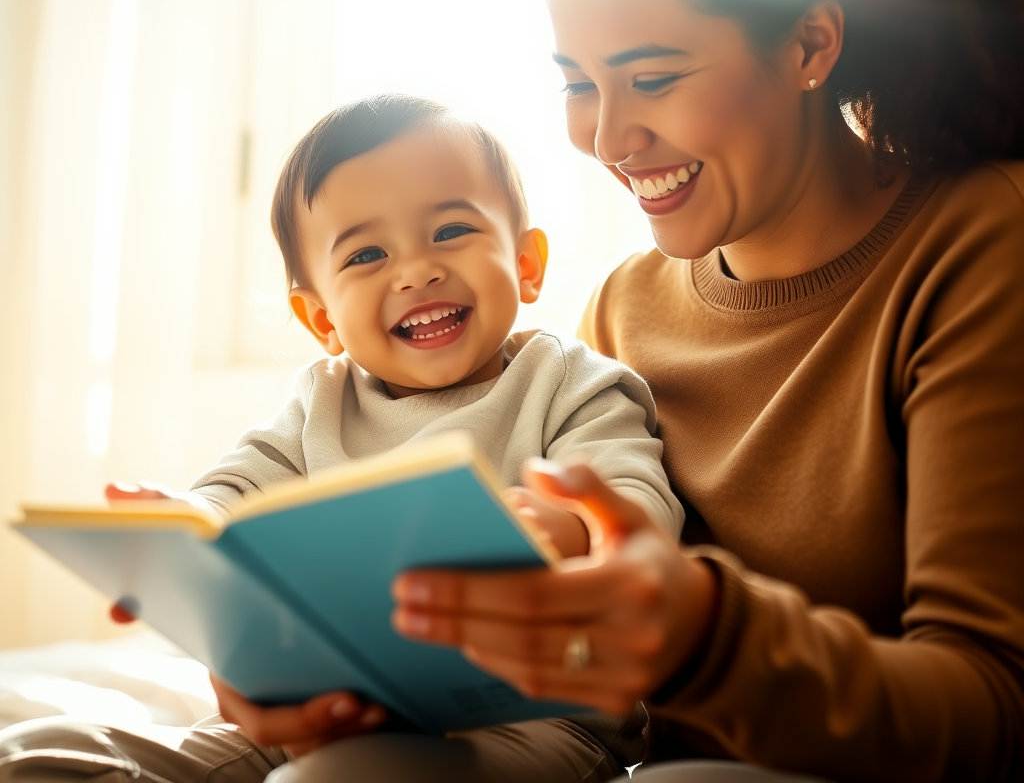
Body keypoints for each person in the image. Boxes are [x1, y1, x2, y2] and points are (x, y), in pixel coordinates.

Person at [384, 0, 1024, 782]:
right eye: (578, 83)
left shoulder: (978, 242)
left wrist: (706, 636)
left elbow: (991, 702)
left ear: (810, 43)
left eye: (651, 76)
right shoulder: (621, 315)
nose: (606, 137)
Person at [0, 94, 683, 782]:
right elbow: (234, 492)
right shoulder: (319, 402)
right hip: (326, 709)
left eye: (450, 231)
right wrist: (182, 532)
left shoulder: (571, 381)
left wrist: (566, 526)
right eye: (367, 254)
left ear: (527, 263)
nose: (415, 270)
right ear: (320, 316)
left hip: (537, 719)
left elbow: (637, 509)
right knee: (41, 754)